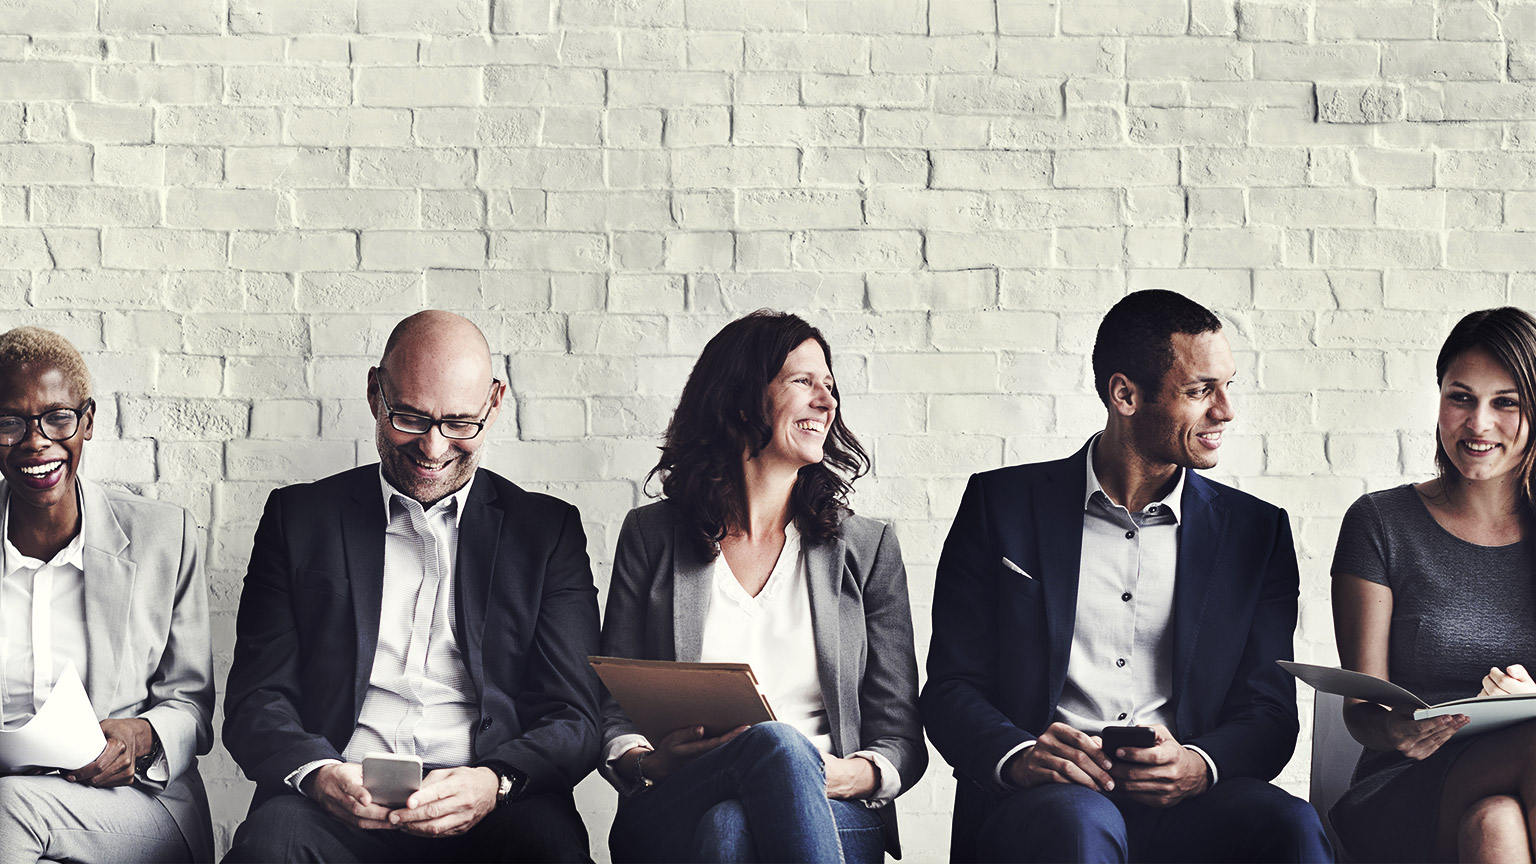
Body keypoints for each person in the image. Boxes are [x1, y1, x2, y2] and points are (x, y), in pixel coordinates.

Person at [921, 290, 1331, 863]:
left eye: (1227, 385)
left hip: (1189, 806)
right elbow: (950, 687)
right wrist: (1020, 755)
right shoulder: (1001, 505)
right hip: (1049, 804)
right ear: (1125, 394)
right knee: (1079, 825)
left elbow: (1269, 712)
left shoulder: (1256, 533)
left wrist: (1198, 765)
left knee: (1292, 825)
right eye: (1199, 391)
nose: (1225, 411)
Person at [222, 310, 602, 863]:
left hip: (490, 805)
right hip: (335, 802)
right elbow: (258, 698)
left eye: (458, 423)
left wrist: (493, 782)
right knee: (269, 848)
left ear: (494, 403)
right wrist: (320, 775)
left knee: (552, 849)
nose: (432, 447)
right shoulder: (298, 518)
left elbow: (575, 715)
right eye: (410, 418)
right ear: (376, 392)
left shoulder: (546, 532)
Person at [599, 310, 926, 863]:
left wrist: (838, 775)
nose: (827, 401)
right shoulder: (651, 536)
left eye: (830, 385)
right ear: (744, 398)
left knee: (731, 830)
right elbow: (612, 710)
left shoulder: (866, 550)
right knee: (767, 754)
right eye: (804, 382)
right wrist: (650, 762)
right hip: (679, 799)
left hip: (831, 806)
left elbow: (900, 737)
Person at [0, 326, 215, 862]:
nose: (36, 441)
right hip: (11, 800)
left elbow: (191, 706)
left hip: (132, 802)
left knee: (8, 809)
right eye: (9, 423)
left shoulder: (163, 538)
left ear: (87, 421)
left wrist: (138, 738)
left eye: (57, 418)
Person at [1331, 306, 1536, 863]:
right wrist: (1396, 730)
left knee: (1496, 826)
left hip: (1506, 786)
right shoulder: (1380, 523)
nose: (1478, 424)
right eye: (1461, 397)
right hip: (1402, 786)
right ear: (1440, 398)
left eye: (1506, 402)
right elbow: (1361, 706)